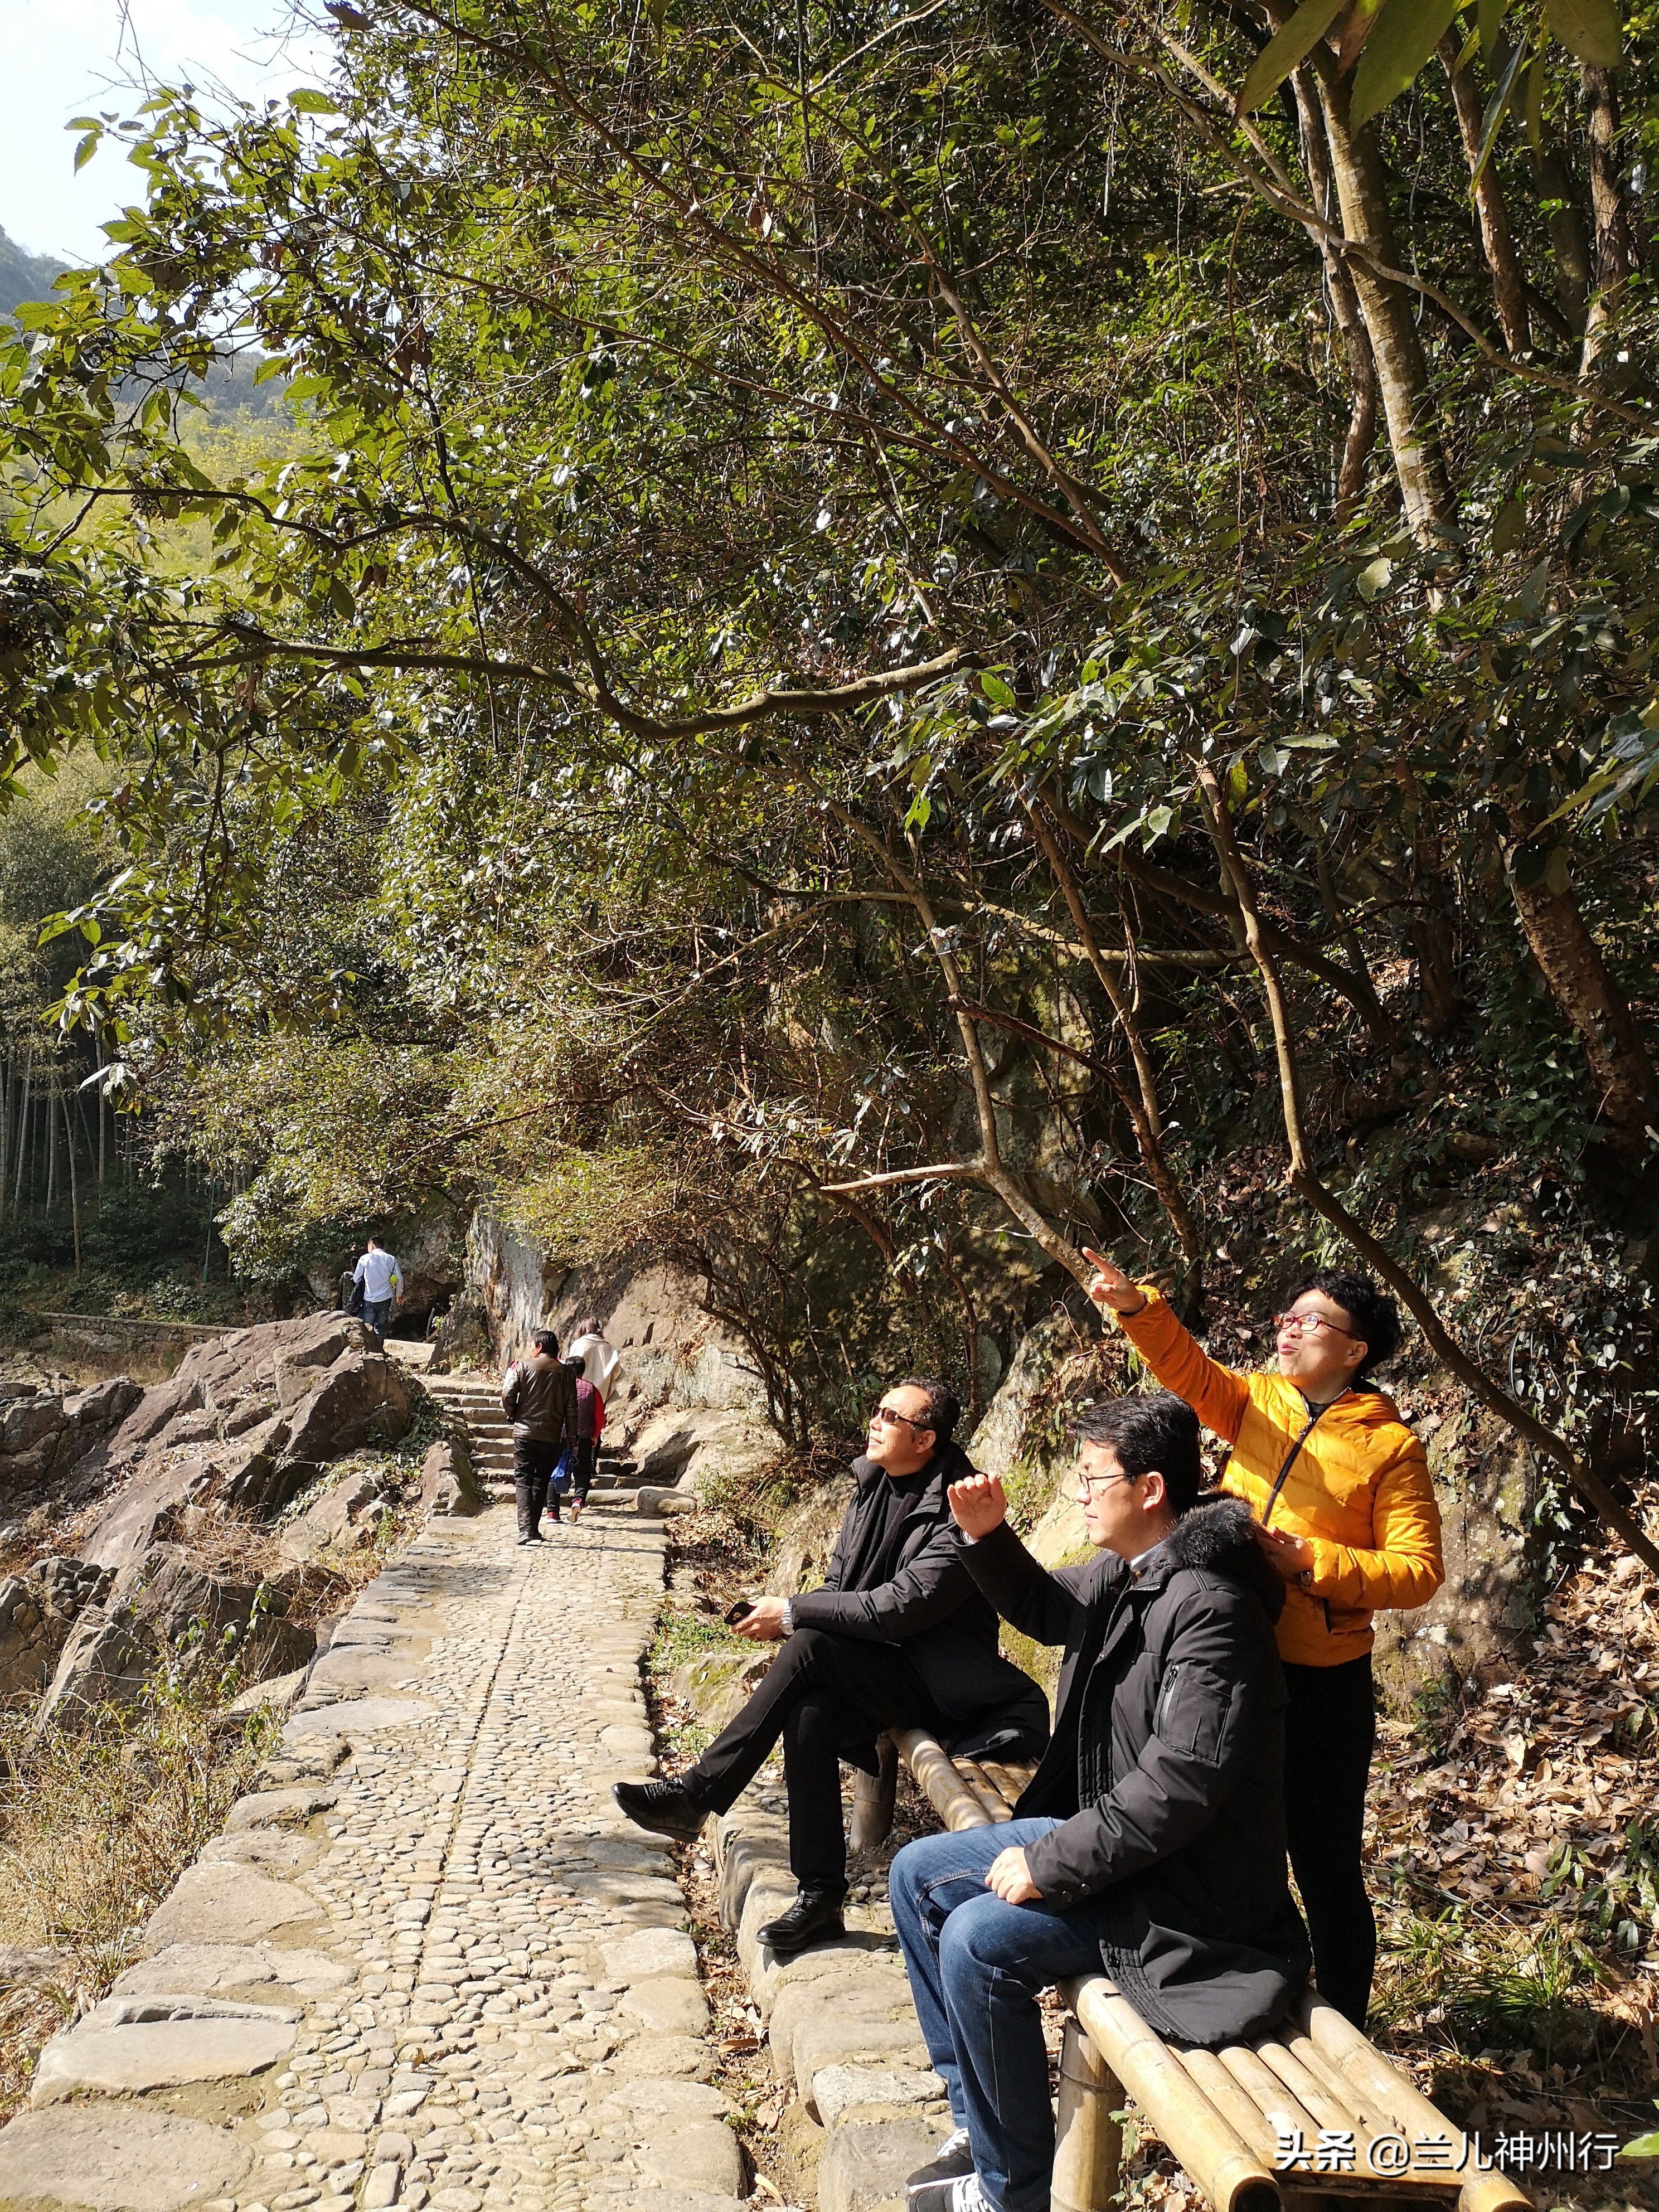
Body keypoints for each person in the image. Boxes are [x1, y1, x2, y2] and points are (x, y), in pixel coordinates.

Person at [889, 1394, 1308, 2212]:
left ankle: (1013, 2194)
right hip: (1125, 1850)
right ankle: (981, 2128)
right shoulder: (1131, 1572)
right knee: (916, 1876)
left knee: (979, 1938)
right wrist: (985, 1534)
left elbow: (1181, 1787)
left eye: (1092, 1478)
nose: (1080, 1494)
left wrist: (1049, 1862)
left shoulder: (1212, 1609)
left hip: (1188, 1897)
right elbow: (1047, 1609)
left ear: (1151, 1489)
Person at [1081, 1249, 1443, 2029]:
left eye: (1311, 1322)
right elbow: (1188, 1369)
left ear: (1354, 1351)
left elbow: (1417, 1572)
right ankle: (1235, 1994)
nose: (1289, 1331)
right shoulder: (1259, 1403)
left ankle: (1345, 2024)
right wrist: (1135, 1305)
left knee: (1323, 1865)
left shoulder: (1391, 1450)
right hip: (1229, 1654)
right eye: (1286, 1318)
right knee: (1228, 1841)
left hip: (1320, 1682)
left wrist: (1311, 1562)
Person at [613, 1377, 1050, 1954]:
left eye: (890, 1414)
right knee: (810, 1711)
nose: (875, 1419)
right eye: (877, 1405)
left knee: (810, 1644)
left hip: (944, 1687)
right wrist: (796, 1614)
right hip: (885, 1667)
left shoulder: (959, 1507)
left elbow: (899, 1608)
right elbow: (842, 1585)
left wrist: (791, 1612)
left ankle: (697, 1794)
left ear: (926, 1438)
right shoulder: (872, 1483)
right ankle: (820, 1897)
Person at [501, 1328, 578, 1545]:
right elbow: (572, 1408)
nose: (530, 1350)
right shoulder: (568, 1373)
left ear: (540, 1347)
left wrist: (513, 1413)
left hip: (524, 1433)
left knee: (523, 1479)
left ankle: (525, 1531)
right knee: (541, 1480)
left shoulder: (523, 1366)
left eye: (532, 1345)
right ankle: (533, 1530)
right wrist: (572, 1438)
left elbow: (507, 1394)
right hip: (551, 1435)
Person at [561, 1352, 605, 1522]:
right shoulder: (592, 1389)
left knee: (557, 1469)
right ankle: (578, 1500)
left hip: (562, 1436)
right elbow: (600, 1416)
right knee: (583, 1472)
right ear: (583, 1371)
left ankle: (552, 1511)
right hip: (585, 1438)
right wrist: (595, 1435)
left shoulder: (560, 1387)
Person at [352, 1235, 402, 1335]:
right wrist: (399, 1295)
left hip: (369, 1299)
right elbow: (400, 1278)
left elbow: (356, 1279)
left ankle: (368, 1350)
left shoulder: (365, 1259)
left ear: (371, 1246)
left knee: (367, 1329)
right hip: (385, 1299)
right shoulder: (391, 1259)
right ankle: (379, 1349)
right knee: (381, 1329)